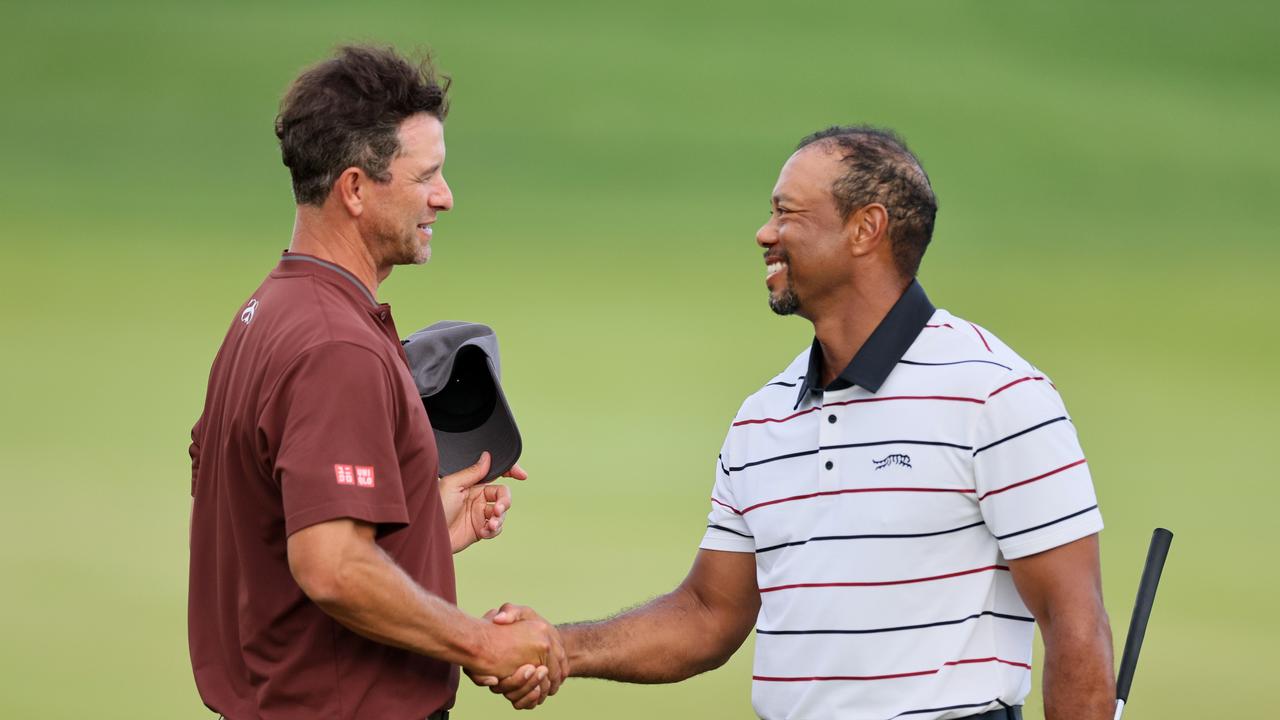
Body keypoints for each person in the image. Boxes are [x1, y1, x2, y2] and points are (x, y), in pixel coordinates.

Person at [480, 127, 1114, 719]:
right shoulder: (764, 418)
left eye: (787, 214)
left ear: (866, 229)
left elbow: (1074, 619)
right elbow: (708, 613)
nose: (764, 233)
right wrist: (561, 646)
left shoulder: (995, 393)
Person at [187, 46, 565, 720]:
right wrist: (481, 644)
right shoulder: (337, 346)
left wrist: (419, 534)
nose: (445, 197)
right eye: (428, 177)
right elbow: (331, 566)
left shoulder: (265, 314)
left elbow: (274, 539)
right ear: (356, 189)